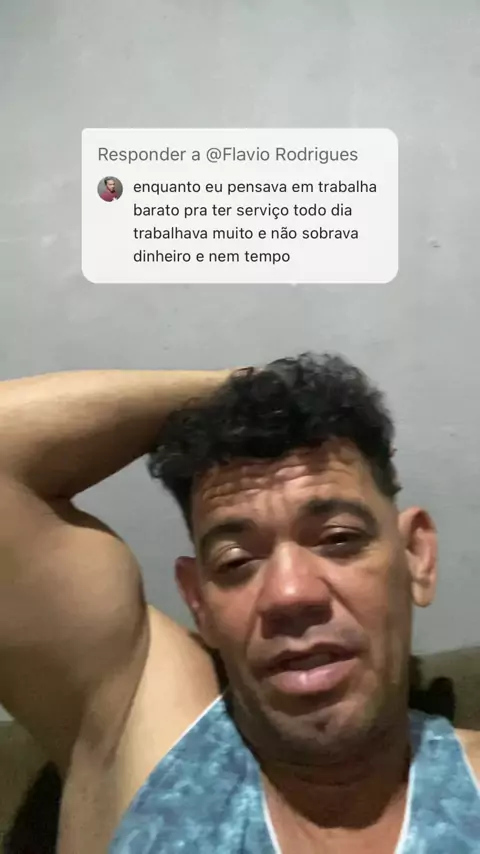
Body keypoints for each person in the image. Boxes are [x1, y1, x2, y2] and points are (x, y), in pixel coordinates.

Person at [0, 354, 478, 854]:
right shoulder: (142, 733)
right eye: (236, 561)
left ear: (416, 557)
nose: (290, 594)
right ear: (198, 600)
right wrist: (257, 389)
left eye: (338, 538)